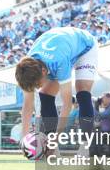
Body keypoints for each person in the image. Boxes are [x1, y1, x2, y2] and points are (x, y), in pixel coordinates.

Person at [15, 27, 98, 156]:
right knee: (45, 95)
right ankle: (53, 151)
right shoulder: (27, 66)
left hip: (85, 46)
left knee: (82, 93)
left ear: (43, 72)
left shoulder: (60, 62)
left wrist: (56, 138)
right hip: (60, 45)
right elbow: (27, 105)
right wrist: (24, 138)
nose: (37, 87)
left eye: (37, 84)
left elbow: (67, 104)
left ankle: (85, 147)